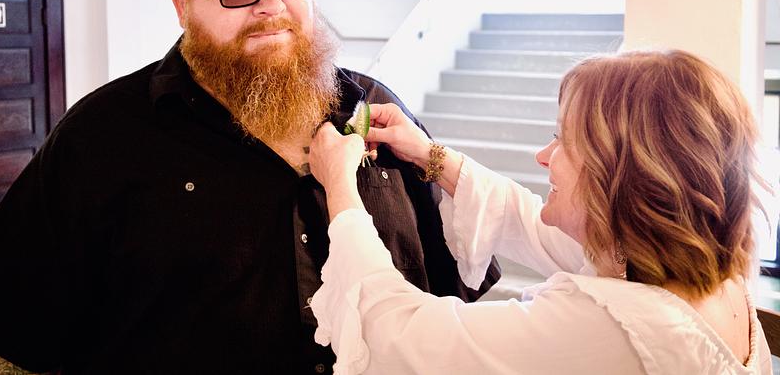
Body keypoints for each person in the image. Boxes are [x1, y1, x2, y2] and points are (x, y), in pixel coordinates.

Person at [0, 0, 499, 375]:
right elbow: (11, 336)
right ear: (182, 6)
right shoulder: (101, 136)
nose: (271, 6)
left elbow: (453, 289)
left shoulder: (376, 108)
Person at [307, 49, 774, 374]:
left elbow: (397, 336)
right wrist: (429, 155)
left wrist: (340, 185)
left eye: (564, 139)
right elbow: (528, 221)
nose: (543, 156)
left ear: (623, 174)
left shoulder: (613, 331)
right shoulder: (701, 275)